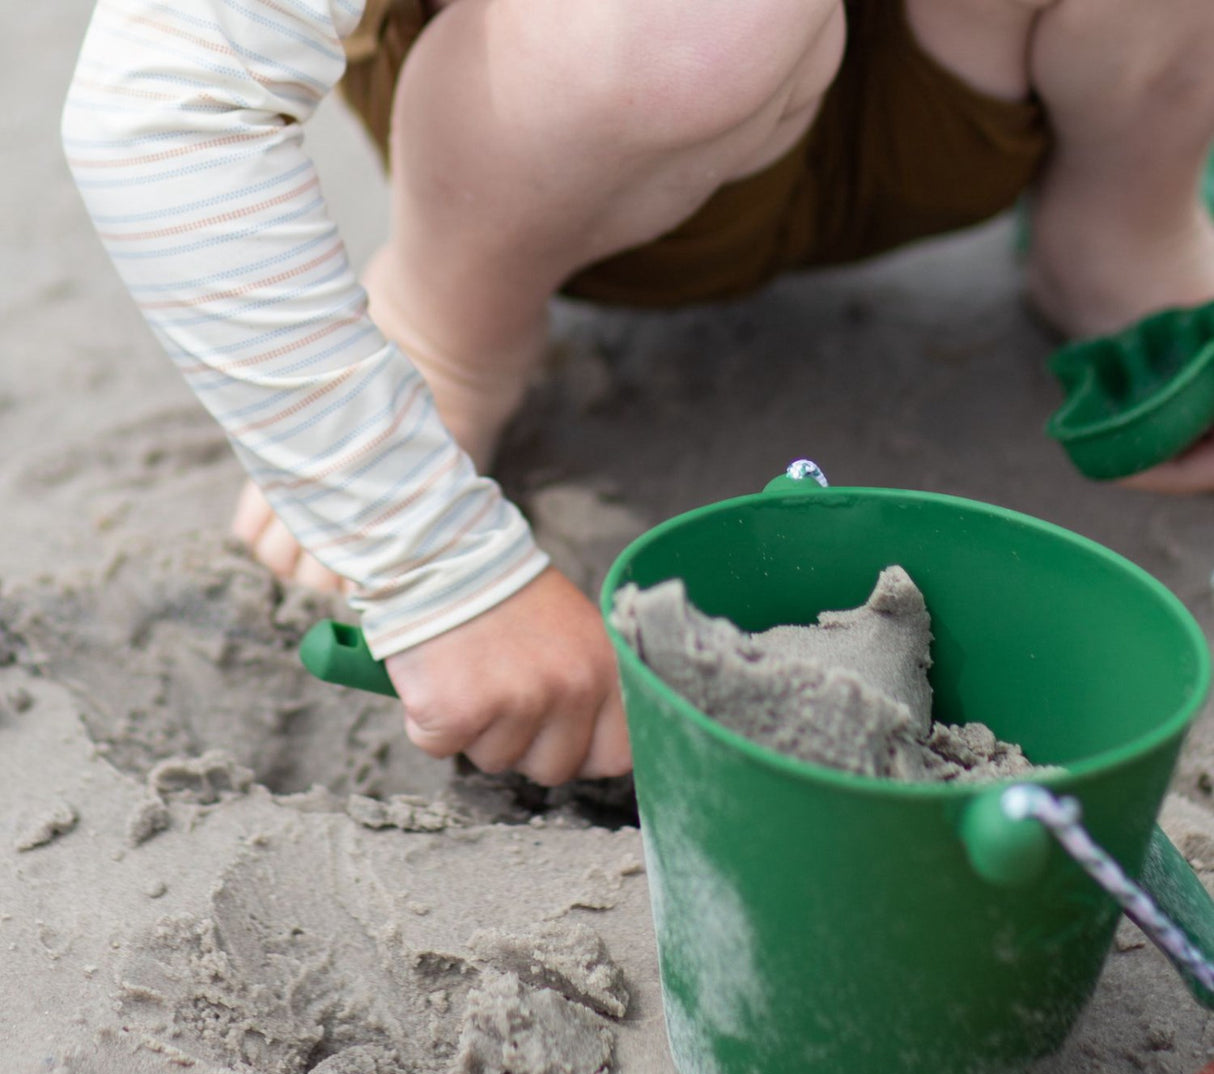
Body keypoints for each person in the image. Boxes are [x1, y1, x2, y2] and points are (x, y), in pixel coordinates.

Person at [63, 0, 1214, 785]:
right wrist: (435, 567)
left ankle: (1121, 223)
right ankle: (449, 321)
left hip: (954, 90)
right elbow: (160, 102)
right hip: (577, 98)